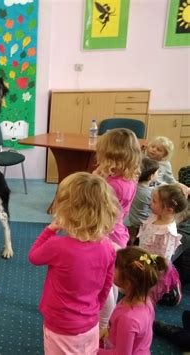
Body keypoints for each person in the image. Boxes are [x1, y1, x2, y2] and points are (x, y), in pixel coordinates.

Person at [29, 172, 120, 354]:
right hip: (90, 322)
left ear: (66, 211)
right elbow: (107, 284)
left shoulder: (58, 245)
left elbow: (34, 256)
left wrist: (50, 230)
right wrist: (96, 309)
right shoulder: (107, 246)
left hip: (60, 325)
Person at [93, 128, 142, 334]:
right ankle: (105, 320)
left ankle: (104, 325)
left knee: (105, 285)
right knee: (111, 280)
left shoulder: (112, 185)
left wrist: (96, 181)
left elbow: (97, 209)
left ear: (111, 156)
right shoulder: (125, 179)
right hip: (118, 233)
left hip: (107, 236)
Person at [99, 246, 167, 354]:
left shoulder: (128, 319)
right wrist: (106, 331)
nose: (111, 267)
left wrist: (93, 350)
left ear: (127, 282)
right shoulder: (145, 300)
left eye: (115, 266)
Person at [137, 184, 187, 306]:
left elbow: (163, 259)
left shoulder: (167, 233)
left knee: (148, 292)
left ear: (168, 210)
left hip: (154, 267)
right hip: (144, 257)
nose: (150, 203)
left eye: (154, 201)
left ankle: (171, 291)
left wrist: (146, 265)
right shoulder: (156, 215)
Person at [126, 157, 160, 245]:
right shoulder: (151, 193)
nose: (159, 174)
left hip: (131, 220)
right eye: (157, 172)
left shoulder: (132, 185)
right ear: (151, 177)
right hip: (142, 224)